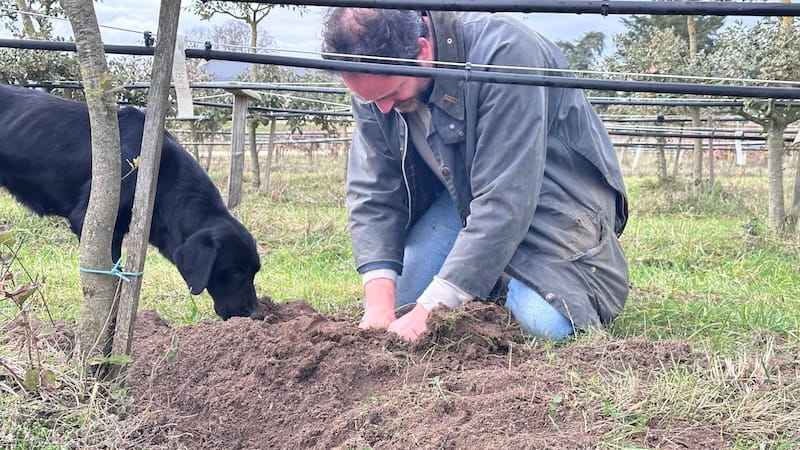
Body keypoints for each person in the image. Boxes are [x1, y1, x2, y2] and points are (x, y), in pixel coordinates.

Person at [322, 8, 630, 342]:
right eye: (371, 99)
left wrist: (431, 310)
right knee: (402, 300)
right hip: (463, 201)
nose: (382, 108)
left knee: (542, 322)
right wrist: (379, 306)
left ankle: (506, 277)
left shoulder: (506, 52)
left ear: (422, 51)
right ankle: (483, 275)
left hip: (555, 201)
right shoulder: (376, 86)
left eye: (391, 93)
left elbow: (506, 198)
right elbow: (373, 190)